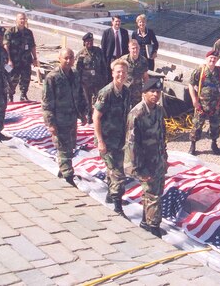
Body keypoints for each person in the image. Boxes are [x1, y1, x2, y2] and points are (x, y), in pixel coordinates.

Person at [125, 78, 168, 238]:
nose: (156, 95)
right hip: (144, 162)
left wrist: (164, 157)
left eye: (158, 92)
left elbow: (162, 135)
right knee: (153, 195)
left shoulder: (158, 111)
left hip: (157, 159)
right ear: (144, 93)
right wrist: (138, 169)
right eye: (152, 92)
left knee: (156, 192)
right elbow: (131, 144)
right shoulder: (137, 113)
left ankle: (145, 221)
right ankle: (153, 228)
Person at [42, 48, 88, 188]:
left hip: (72, 117)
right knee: (63, 147)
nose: (69, 61)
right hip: (59, 119)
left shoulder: (74, 74)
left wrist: (83, 113)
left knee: (70, 146)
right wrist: (50, 123)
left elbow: (80, 95)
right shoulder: (52, 78)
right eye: (66, 58)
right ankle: (68, 175)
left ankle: (63, 170)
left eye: (71, 58)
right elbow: (46, 103)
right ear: (59, 59)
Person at [93, 59, 131, 218]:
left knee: (115, 168)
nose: (121, 75)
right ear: (113, 73)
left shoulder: (126, 92)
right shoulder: (106, 93)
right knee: (117, 172)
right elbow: (96, 118)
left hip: (119, 139)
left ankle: (111, 194)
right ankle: (117, 206)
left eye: (123, 72)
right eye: (118, 72)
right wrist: (100, 141)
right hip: (107, 139)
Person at [188, 50, 220, 156]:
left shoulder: (219, 71)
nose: (213, 60)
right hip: (201, 105)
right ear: (206, 58)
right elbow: (191, 85)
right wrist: (194, 100)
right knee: (197, 126)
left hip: (216, 105)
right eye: (211, 58)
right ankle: (193, 145)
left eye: (215, 58)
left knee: (215, 126)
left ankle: (214, 144)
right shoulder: (200, 70)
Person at [4, 13, 38, 102]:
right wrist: (9, 60)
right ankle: (10, 96)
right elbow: (6, 46)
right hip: (14, 62)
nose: (22, 21)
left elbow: (33, 46)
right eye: (20, 19)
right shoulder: (10, 32)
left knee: (26, 78)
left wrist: (35, 58)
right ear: (16, 20)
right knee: (12, 80)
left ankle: (23, 95)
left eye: (24, 19)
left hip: (26, 61)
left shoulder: (29, 32)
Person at [76, 32, 108, 122]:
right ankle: (89, 115)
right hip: (86, 82)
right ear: (84, 43)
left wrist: (105, 78)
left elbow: (103, 65)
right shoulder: (81, 54)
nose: (89, 43)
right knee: (87, 100)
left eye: (91, 41)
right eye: (87, 41)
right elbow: (77, 69)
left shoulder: (98, 51)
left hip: (98, 80)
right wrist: (79, 82)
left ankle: (99, 116)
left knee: (100, 99)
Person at [118, 39, 149, 107]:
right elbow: (116, 73)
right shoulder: (123, 60)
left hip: (137, 92)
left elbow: (145, 77)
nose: (135, 50)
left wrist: (146, 92)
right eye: (133, 48)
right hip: (125, 91)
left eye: (137, 48)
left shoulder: (143, 61)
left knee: (136, 112)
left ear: (139, 48)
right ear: (129, 49)